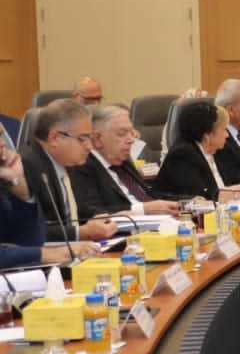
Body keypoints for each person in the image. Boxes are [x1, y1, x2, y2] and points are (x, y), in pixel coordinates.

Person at [18, 99, 119, 242]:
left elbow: (79, 208)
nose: (89, 146)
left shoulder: (68, 160)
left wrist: (104, 217)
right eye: (82, 138)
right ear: (54, 138)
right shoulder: (27, 167)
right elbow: (29, 230)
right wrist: (80, 232)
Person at [71, 105, 185, 218]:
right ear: (97, 139)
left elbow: (152, 195)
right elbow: (91, 212)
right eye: (122, 134)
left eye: (131, 132)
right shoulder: (83, 165)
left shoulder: (122, 161)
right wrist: (142, 209)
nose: (131, 140)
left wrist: (187, 202)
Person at [1, 141, 95, 266]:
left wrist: (20, 189)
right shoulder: (32, 161)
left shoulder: (3, 176)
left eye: (1, 135)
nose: (3, 142)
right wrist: (51, 254)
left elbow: (31, 242)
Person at [156, 100, 240, 201]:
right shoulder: (183, 155)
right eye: (223, 129)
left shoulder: (216, 151)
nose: (227, 135)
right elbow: (204, 197)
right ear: (207, 135)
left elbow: (235, 182)